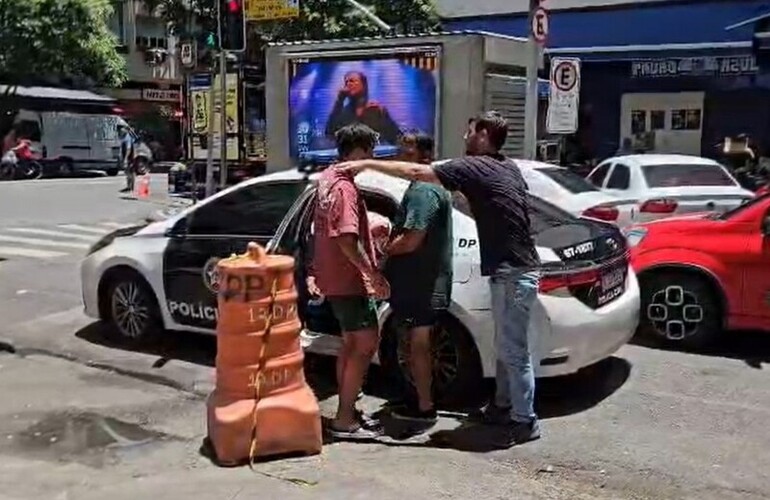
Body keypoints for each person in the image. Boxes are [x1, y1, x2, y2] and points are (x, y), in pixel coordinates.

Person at [338, 111, 541, 447]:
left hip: (514, 272)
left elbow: (420, 175)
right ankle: (503, 407)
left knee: (514, 351)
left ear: (485, 136)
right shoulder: (506, 167)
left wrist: (367, 166)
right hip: (510, 269)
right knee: (506, 348)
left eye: (470, 131)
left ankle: (525, 420)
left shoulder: (477, 166)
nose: (465, 137)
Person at [307, 123, 390, 440]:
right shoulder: (344, 187)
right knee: (365, 345)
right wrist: (373, 273)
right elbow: (345, 238)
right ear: (357, 151)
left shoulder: (327, 179)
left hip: (335, 278)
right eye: (368, 151)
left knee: (351, 344)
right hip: (349, 280)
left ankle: (348, 410)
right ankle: (344, 420)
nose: (370, 157)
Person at [385, 133, 453, 423]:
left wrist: (382, 250)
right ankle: (418, 398)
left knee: (419, 346)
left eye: (408, 148)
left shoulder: (423, 191)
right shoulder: (434, 186)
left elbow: (412, 239)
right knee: (417, 345)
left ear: (423, 155)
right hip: (425, 281)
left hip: (419, 284)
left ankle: (423, 406)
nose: (401, 152)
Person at [325, 71, 401, 145]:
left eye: (352, 81)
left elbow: (395, 138)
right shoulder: (342, 112)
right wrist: (339, 100)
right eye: (346, 82)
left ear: (364, 85)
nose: (348, 84)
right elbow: (329, 134)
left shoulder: (377, 110)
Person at [118, 124, 135, 193]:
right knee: (127, 172)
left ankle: (131, 187)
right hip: (126, 156)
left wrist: (126, 158)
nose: (121, 131)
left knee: (130, 172)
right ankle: (129, 186)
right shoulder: (123, 137)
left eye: (122, 129)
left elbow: (129, 149)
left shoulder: (128, 137)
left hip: (130, 157)